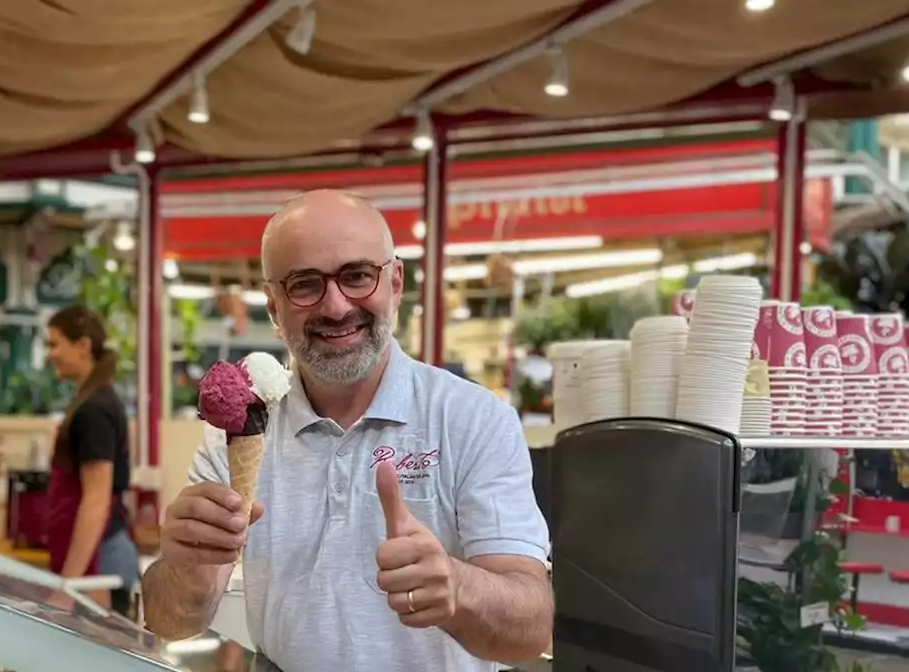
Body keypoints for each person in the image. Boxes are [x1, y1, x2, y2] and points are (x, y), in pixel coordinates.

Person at [142, 190, 552, 671]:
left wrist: (457, 587)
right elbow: (172, 622)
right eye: (304, 284)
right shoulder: (236, 433)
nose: (336, 307)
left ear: (395, 283)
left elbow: (531, 628)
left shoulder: (473, 420)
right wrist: (183, 566)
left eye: (357, 276)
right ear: (274, 306)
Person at [44, 305, 139, 616]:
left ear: (83, 345)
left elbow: (96, 500)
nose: (49, 354)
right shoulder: (92, 400)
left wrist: (67, 587)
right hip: (98, 557)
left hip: (100, 562)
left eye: (54, 344)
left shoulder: (94, 409)